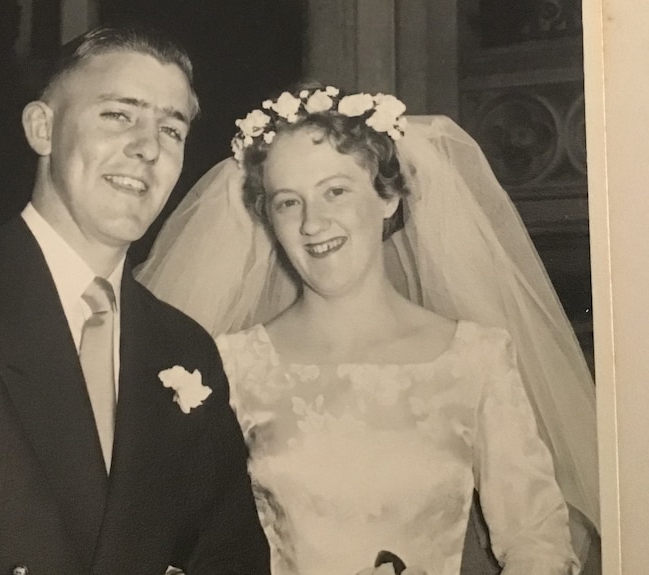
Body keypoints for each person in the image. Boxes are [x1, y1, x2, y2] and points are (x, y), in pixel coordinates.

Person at [0, 25, 270, 575]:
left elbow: (232, 559)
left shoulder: (185, 348)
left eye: (172, 129)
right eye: (119, 114)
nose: (148, 147)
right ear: (43, 128)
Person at [137, 86, 600, 574]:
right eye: (288, 202)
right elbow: (184, 545)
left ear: (388, 197)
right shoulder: (232, 366)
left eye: (336, 191)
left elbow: (536, 539)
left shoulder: (474, 358)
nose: (313, 223)